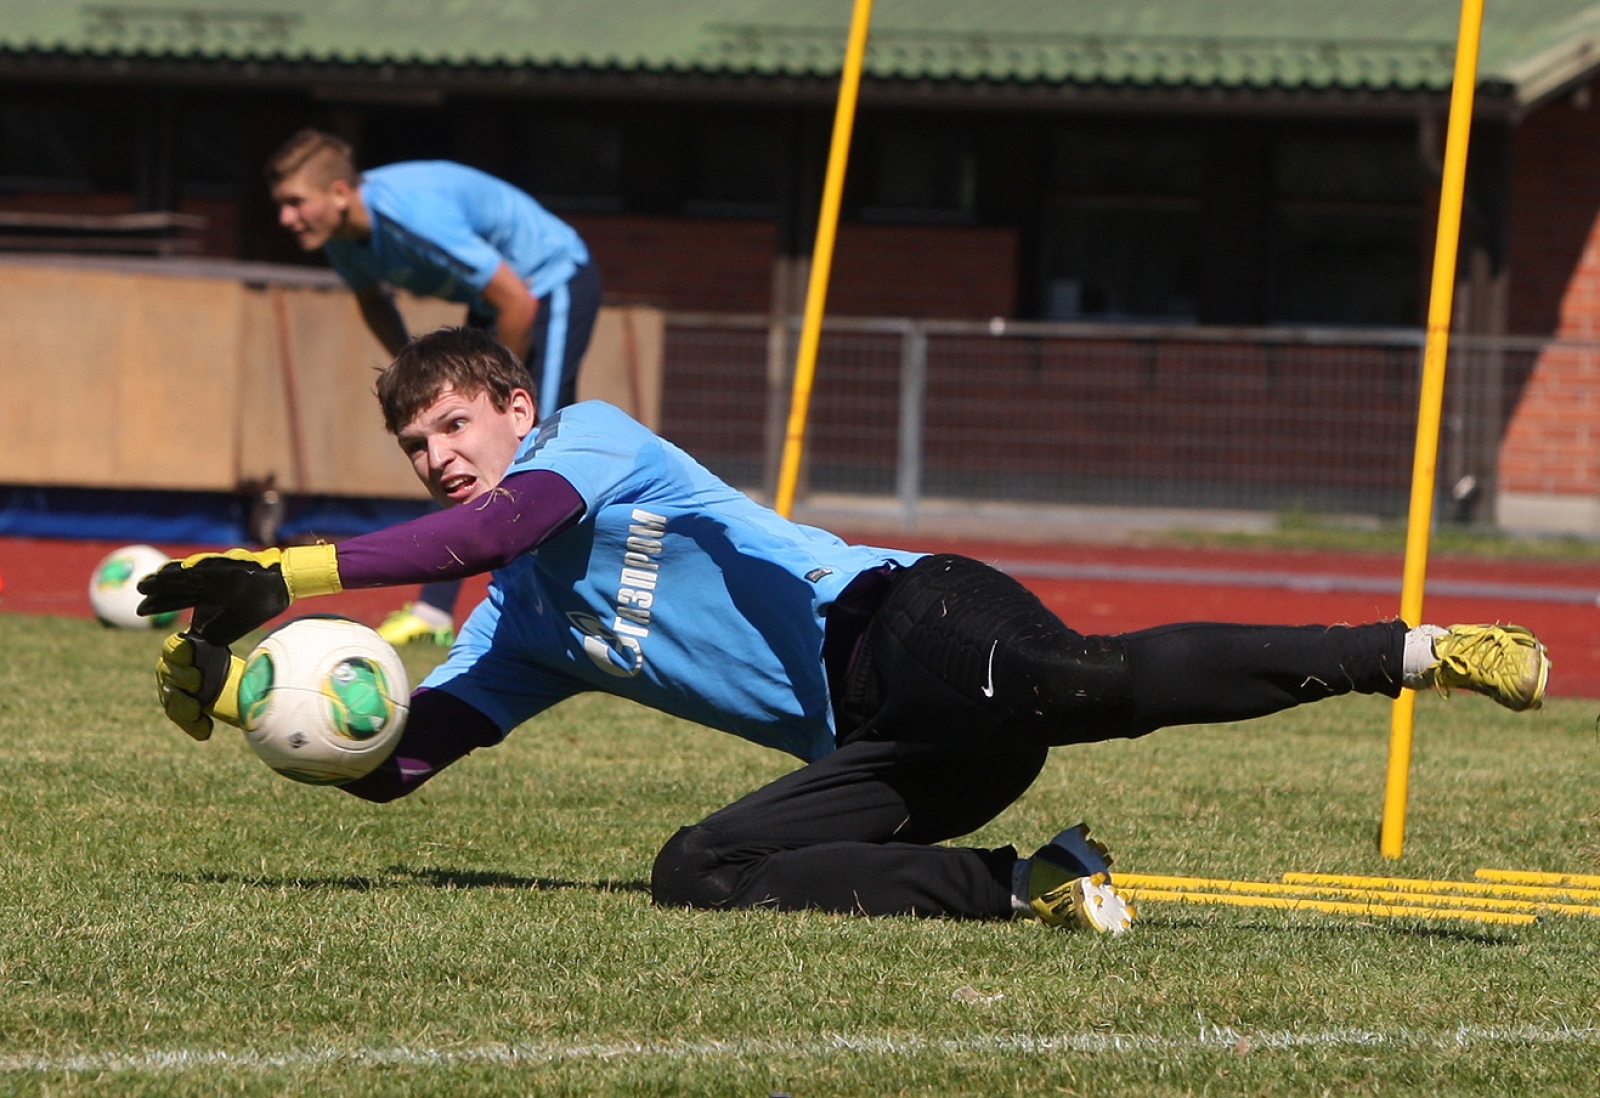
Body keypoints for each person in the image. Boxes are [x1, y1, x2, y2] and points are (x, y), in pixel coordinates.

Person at [139, 327, 1552, 934]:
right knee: (698, 869)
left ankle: (1417, 650)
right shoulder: (524, 629)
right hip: (904, 756)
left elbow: (490, 529)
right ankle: (1023, 883)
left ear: (516, 408)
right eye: (417, 444)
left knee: (1093, 682)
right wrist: (238, 696)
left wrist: (289, 566)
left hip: (908, 619)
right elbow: (395, 760)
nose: (442, 456)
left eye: (457, 425)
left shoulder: (593, 440)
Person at [266, 128, 601, 648]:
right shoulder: (343, 241)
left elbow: (517, 301)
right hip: (500, 301)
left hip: (548, 281)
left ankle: (551, 605)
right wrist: (414, 375)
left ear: (338, 193)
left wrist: (494, 390)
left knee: (532, 450)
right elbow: (374, 301)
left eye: (294, 203)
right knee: (460, 450)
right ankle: (439, 609)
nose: (286, 219)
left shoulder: (409, 215)